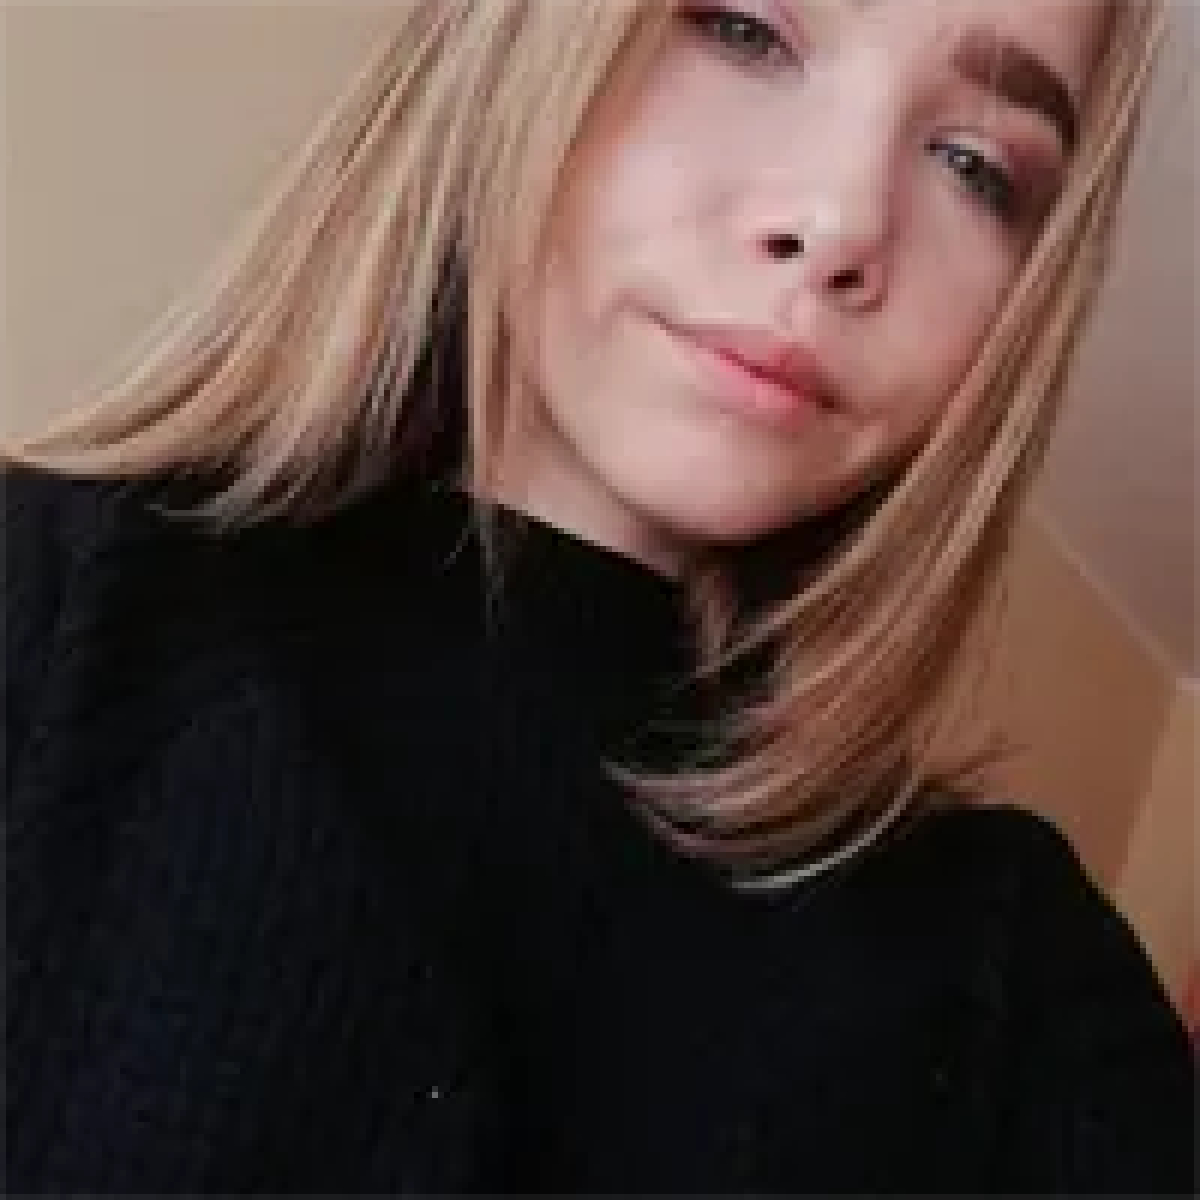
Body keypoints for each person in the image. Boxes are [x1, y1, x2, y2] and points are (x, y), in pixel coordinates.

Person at [3, 0, 1192, 1192]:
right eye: (744, 30)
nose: (840, 225)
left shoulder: (1022, 979)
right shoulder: (53, 610)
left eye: (975, 166)